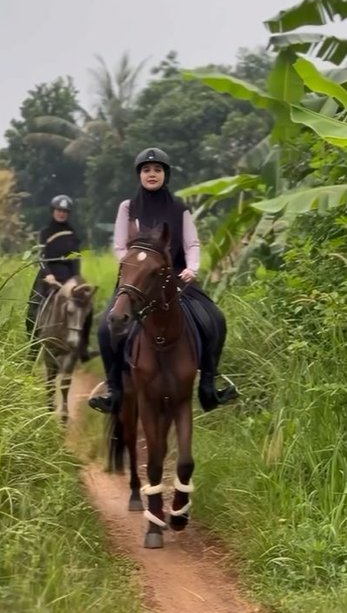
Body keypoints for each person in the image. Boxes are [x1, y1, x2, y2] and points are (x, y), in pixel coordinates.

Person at [88, 147, 238, 414]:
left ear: (165, 175)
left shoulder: (180, 206)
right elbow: (120, 246)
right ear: (139, 176)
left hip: (176, 278)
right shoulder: (128, 207)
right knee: (105, 328)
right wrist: (135, 267)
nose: (152, 174)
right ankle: (114, 389)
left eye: (157, 170)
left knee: (214, 317)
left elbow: (192, 243)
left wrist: (192, 268)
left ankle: (208, 385)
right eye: (146, 170)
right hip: (138, 281)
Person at [25, 194, 94, 359]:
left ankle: (83, 348)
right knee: (32, 311)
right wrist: (48, 275)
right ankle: (33, 349)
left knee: (86, 306)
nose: (61, 213)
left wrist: (76, 280)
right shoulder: (45, 232)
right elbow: (41, 257)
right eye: (59, 210)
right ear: (53, 211)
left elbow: (76, 261)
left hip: (68, 278)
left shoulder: (73, 235)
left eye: (65, 211)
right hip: (47, 276)